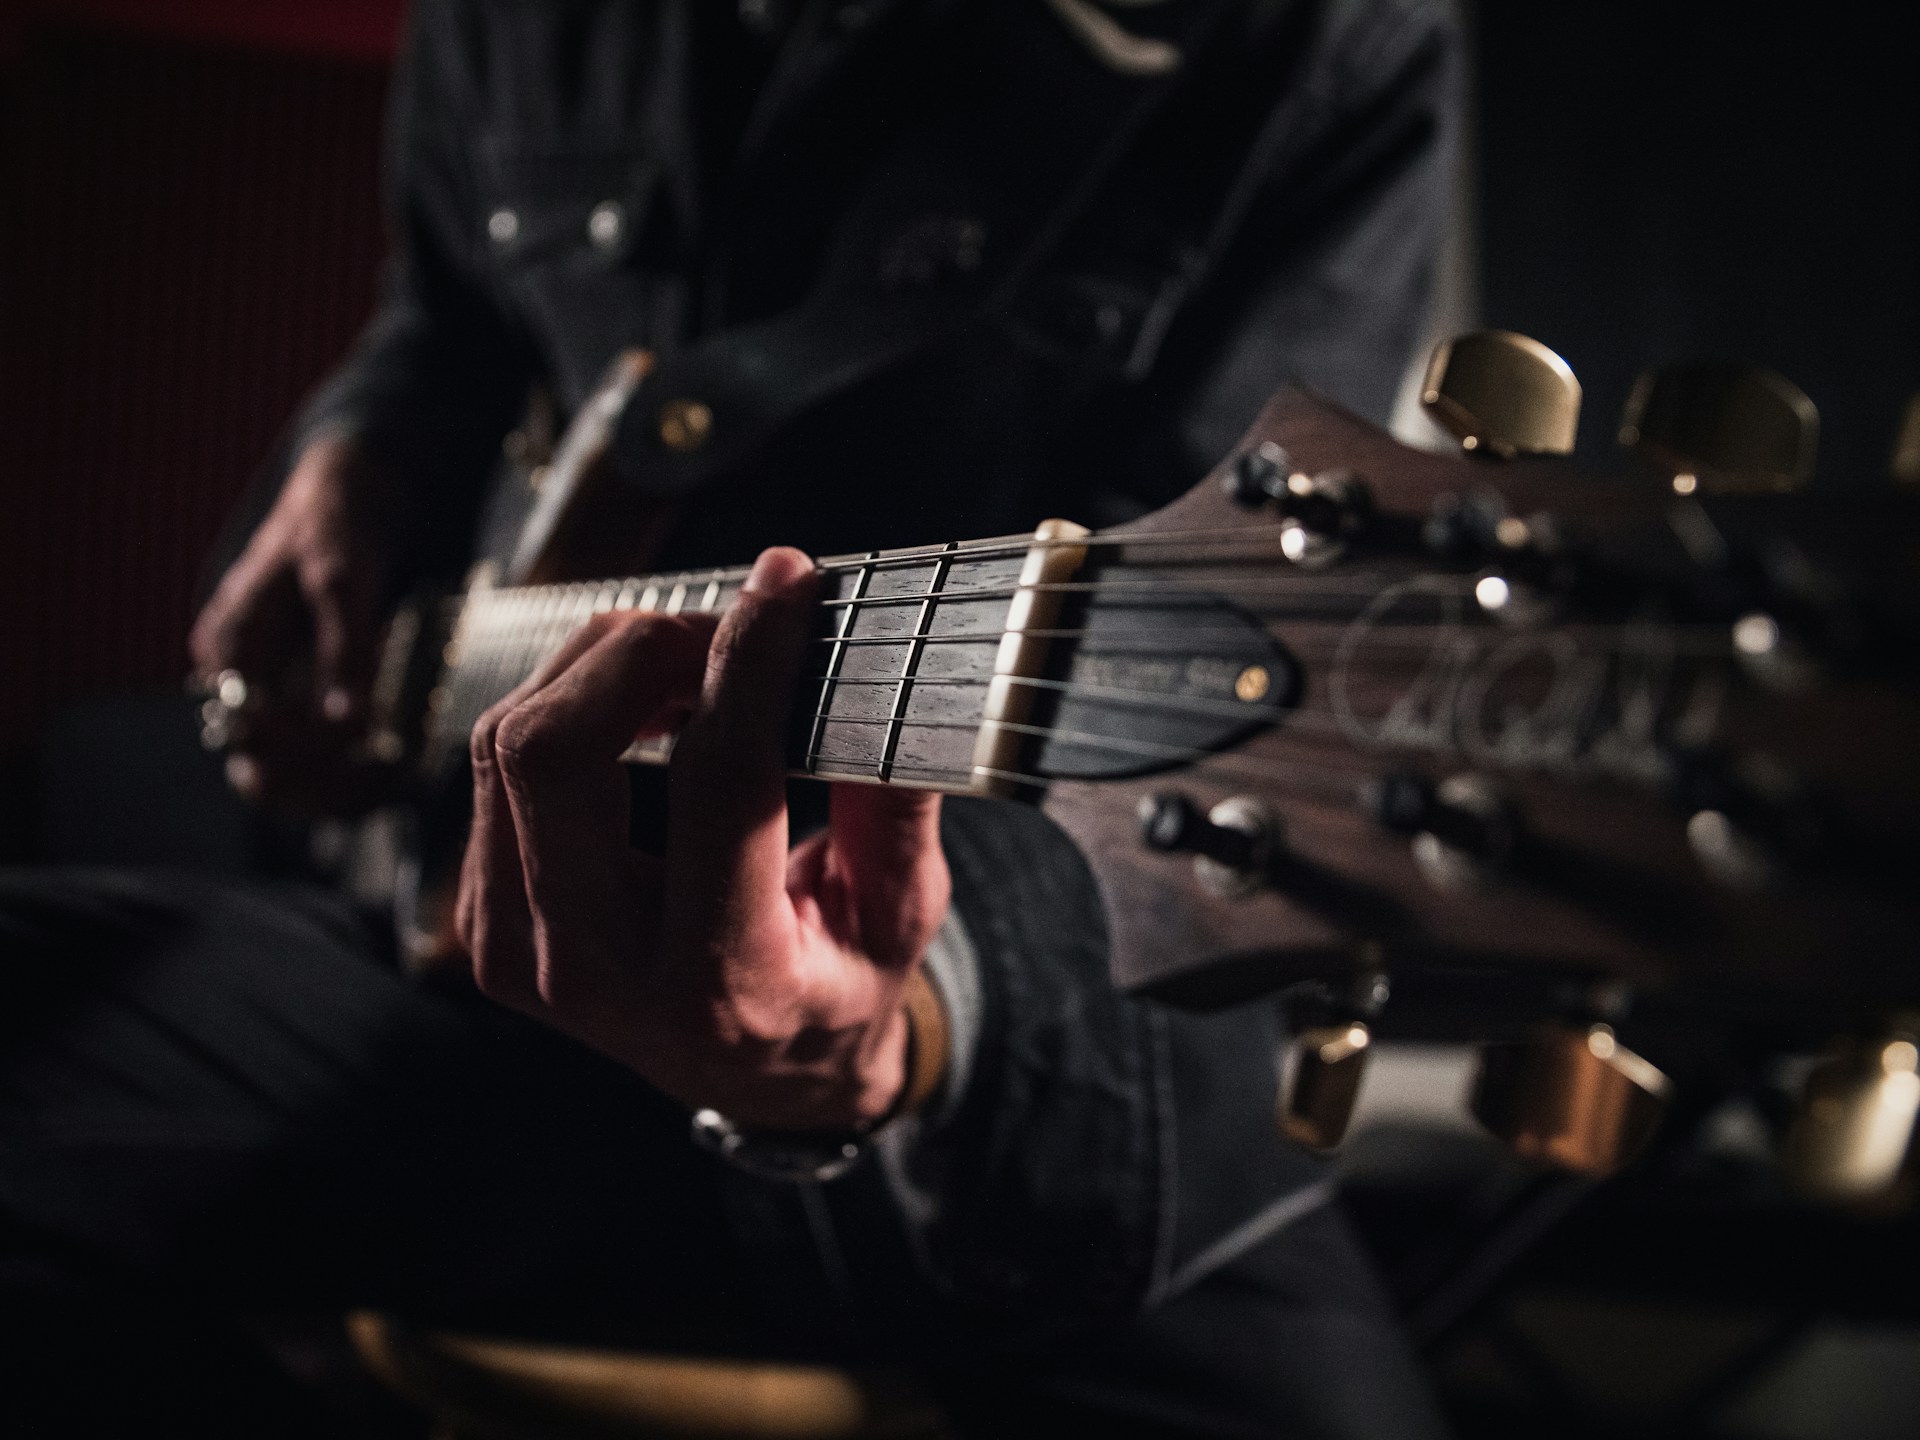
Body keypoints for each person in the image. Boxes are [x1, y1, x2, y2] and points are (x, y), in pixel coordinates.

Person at [2, 1, 1458, 1433]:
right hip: (479, 971)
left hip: (1017, 1056)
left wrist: (913, 1015)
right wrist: (353, 457)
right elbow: (447, 317)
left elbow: (1204, 680)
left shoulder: (1328, 36)